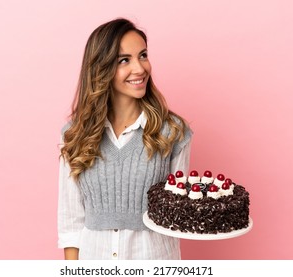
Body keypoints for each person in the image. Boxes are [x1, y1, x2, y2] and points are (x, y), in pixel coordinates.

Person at [58, 18, 192, 260]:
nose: (140, 68)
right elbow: (70, 222)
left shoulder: (172, 131)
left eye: (143, 55)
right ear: (101, 68)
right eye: (124, 60)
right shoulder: (76, 135)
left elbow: (178, 215)